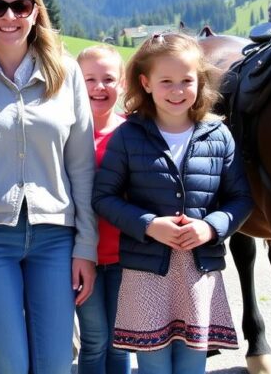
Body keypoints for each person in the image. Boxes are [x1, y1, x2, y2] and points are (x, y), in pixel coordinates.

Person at [0, 0, 97, 374]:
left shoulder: (65, 73)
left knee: (54, 364)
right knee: (10, 365)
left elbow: (82, 167)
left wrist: (85, 246)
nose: (9, 17)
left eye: (21, 6)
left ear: (36, 13)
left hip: (55, 240)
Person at [92, 32, 253, 374]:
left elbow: (240, 199)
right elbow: (103, 198)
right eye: (166, 81)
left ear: (200, 82)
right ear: (146, 82)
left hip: (198, 271)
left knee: (192, 366)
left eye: (186, 81)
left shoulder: (219, 135)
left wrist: (211, 227)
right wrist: (149, 224)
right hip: (145, 272)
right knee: (154, 368)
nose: (177, 91)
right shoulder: (128, 135)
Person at [75, 44, 130, 374]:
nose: (99, 87)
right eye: (89, 79)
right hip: (84, 258)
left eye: (108, 78)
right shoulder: (68, 134)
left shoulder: (133, 134)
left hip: (125, 258)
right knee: (95, 340)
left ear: (122, 84)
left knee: (120, 341)